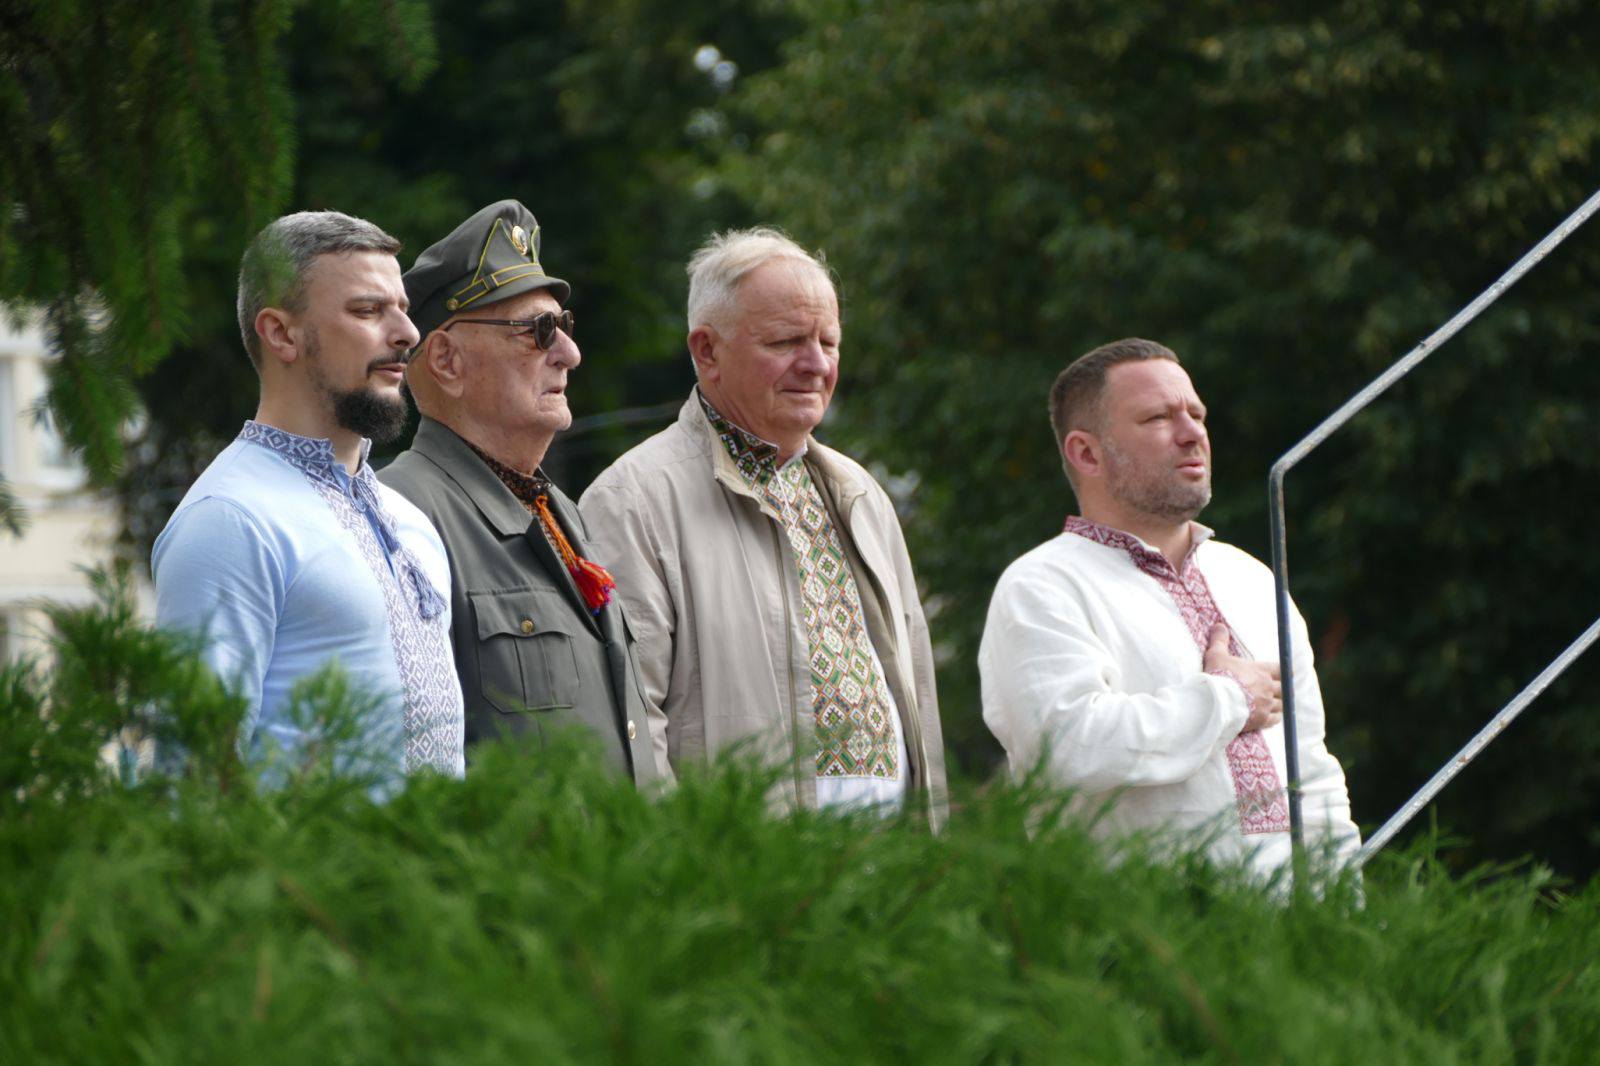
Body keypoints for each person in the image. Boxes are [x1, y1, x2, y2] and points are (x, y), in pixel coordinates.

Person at [580, 227, 948, 825]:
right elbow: (630, 725)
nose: (816, 364)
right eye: (786, 341)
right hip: (748, 866)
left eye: (829, 342)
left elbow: (919, 698)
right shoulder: (633, 500)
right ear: (707, 351)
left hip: (893, 864)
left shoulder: (862, 496)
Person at [979, 338, 1359, 875]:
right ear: (1086, 453)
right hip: (1134, 918)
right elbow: (1067, 748)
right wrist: (1228, 698)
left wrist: (1342, 900)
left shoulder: (1252, 580)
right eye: (1158, 418)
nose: (1192, 433)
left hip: (1287, 919)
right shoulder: (1042, 586)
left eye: (1196, 414)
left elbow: (1312, 771)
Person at [152, 211, 464, 784]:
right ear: (281, 333)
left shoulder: (409, 522)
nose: (408, 333)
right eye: (368, 310)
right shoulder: (229, 521)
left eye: (402, 308)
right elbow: (192, 783)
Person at [379, 200, 660, 784]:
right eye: (538, 331)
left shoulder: (557, 510)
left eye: (564, 326)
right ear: (447, 360)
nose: (570, 354)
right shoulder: (403, 516)